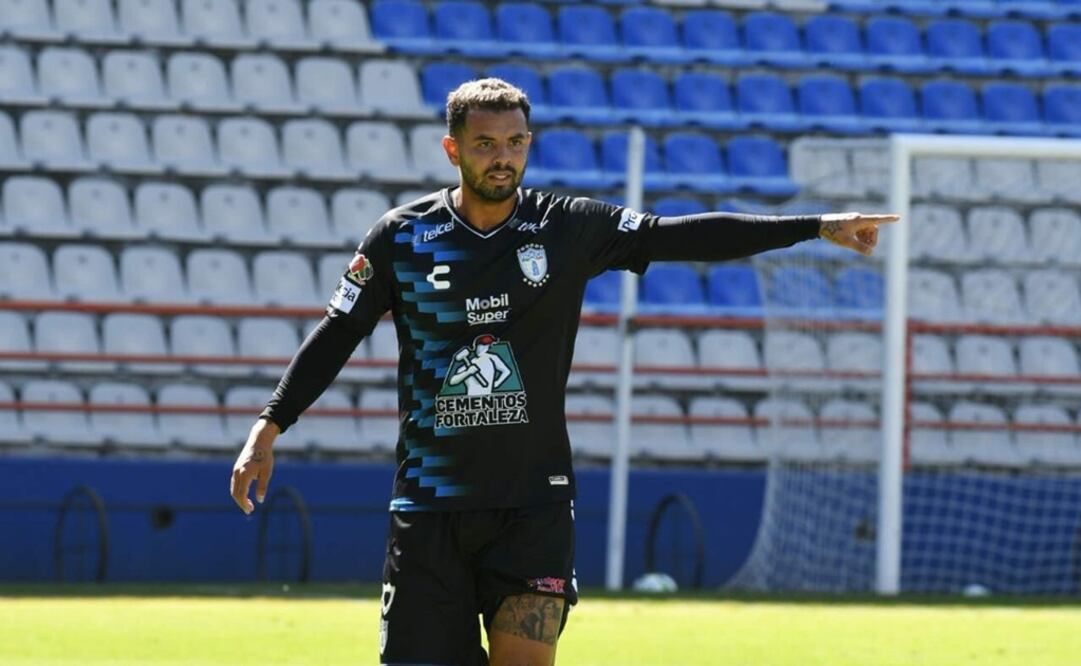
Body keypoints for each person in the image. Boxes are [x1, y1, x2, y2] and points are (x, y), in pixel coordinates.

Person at [229, 78, 898, 666]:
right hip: (431, 503)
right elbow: (339, 330)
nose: (503, 158)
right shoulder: (400, 238)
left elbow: (680, 236)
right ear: (452, 148)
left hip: (533, 501)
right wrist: (270, 424)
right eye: (487, 144)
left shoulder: (564, 227)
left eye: (516, 142)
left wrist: (815, 225)